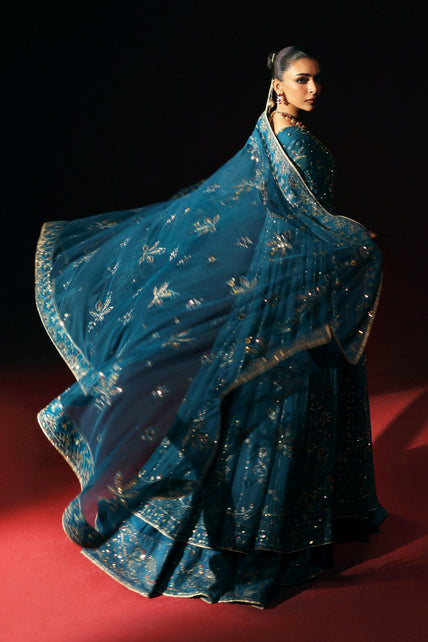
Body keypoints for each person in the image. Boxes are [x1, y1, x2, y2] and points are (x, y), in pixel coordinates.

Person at [35, 45, 387, 607]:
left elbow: (270, 218)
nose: (314, 90)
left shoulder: (267, 135)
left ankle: (260, 531)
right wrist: (352, 241)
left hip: (278, 279)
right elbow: (291, 226)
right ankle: (260, 546)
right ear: (277, 86)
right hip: (285, 286)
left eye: (318, 80)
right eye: (302, 80)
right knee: (269, 397)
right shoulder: (292, 143)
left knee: (232, 394)